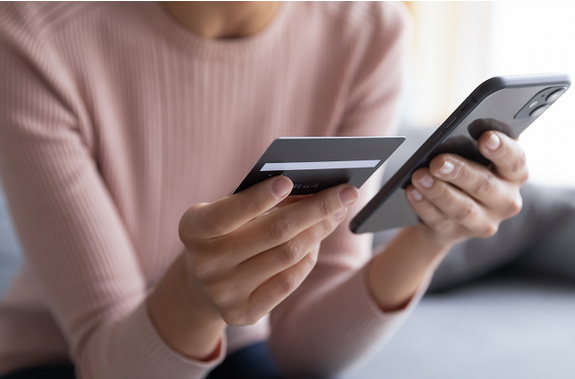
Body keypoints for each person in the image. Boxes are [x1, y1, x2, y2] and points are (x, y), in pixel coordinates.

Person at [0, 2, 528, 378]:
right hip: (60, 354)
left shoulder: (368, 29)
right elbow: (106, 363)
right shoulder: (31, 32)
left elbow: (305, 350)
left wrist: (428, 238)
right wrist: (193, 295)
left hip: (239, 348)